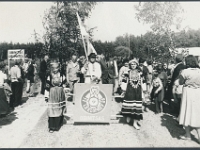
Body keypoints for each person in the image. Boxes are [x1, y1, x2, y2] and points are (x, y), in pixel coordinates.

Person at [178, 55, 200, 143]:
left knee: (186, 111)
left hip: (188, 92)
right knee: (197, 113)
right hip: (198, 92)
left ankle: (188, 135)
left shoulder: (185, 71)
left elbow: (180, 82)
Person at [121, 59, 143, 130]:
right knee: (129, 105)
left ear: (137, 65)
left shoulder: (140, 72)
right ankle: (128, 116)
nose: (133, 66)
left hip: (138, 91)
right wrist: (123, 89)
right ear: (130, 65)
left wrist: (144, 92)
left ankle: (135, 123)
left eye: (134, 64)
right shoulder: (127, 72)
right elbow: (124, 81)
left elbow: (143, 81)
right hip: (130, 90)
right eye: (132, 64)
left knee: (137, 107)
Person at [45, 61, 66, 133]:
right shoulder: (49, 75)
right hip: (52, 92)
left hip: (60, 92)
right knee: (52, 109)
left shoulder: (62, 75)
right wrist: (46, 96)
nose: (55, 69)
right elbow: (47, 85)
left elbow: (64, 83)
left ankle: (58, 124)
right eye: (53, 68)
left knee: (59, 108)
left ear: (58, 68)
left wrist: (64, 90)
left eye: (56, 68)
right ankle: (51, 126)